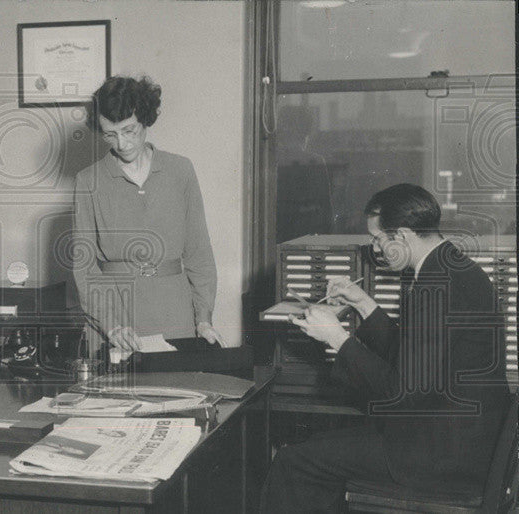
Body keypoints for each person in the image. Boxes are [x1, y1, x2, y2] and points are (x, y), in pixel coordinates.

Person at [260, 184, 511, 512]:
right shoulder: (451, 267)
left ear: (403, 235)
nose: (375, 249)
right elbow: (415, 358)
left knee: (295, 460)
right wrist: (365, 305)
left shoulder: (435, 289)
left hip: (440, 455)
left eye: (378, 239)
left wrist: (337, 338)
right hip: (461, 441)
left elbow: (399, 392)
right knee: (320, 445)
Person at [72, 75, 223, 356]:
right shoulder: (88, 181)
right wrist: (112, 326)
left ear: (145, 119)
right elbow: (85, 267)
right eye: (110, 134)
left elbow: (199, 253)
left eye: (130, 131)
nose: (122, 143)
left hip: (173, 312)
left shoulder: (180, 171)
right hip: (115, 318)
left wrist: (203, 318)